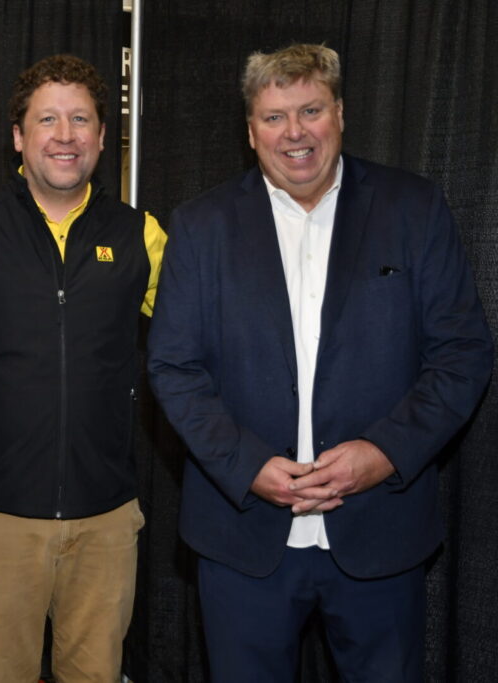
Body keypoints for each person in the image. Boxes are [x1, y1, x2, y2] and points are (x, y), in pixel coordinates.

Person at [147, 43, 493, 681]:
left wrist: (383, 454)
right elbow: (173, 367)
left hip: (380, 533)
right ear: (251, 132)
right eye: (275, 117)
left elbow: (462, 353)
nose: (295, 132)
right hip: (242, 539)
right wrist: (247, 465)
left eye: (311, 110)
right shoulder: (201, 226)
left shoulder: (414, 210)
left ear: (340, 113)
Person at [0, 54, 166, 682]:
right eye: (48, 119)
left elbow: (201, 339)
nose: (65, 135)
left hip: (106, 519)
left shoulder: (140, 235)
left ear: (103, 137)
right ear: (18, 138)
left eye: (81, 120)